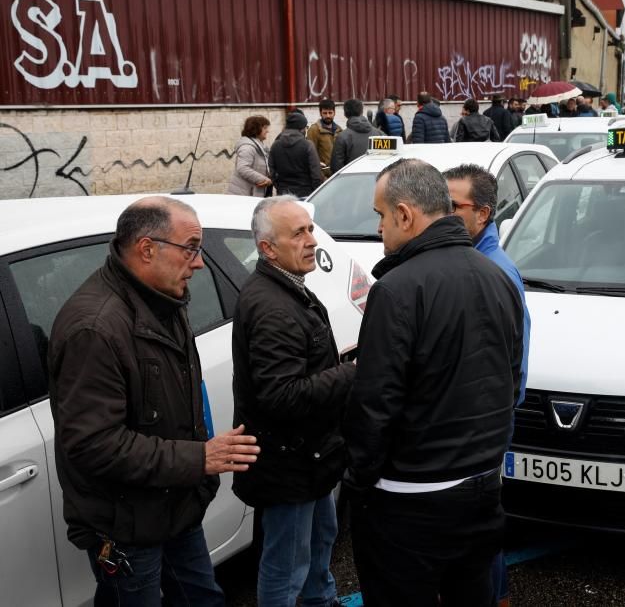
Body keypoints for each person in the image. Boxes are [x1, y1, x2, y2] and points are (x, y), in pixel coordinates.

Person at [48, 197, 261, 607]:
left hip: (174, 506)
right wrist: (200, 458)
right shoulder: (94, 329)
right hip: (127, 526)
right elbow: (94, 444)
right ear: (147, 249)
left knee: (202, 598)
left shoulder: (163, 298)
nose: (199, 263)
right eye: (192, 247)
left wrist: (198, 473)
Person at [344, 159, 524, 607]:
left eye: (381, 215)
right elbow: (510, 374)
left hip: (410, 501)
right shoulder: (498, 277)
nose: (380, 228)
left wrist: (358, 481)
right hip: (481, 486)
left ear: (405, 215)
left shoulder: (397, 290)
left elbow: (375, 404)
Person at [231, 196, 356, 607]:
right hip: (290, 465)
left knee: (320, 542)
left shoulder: (289, 288)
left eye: (310, 229)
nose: (312, 240)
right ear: (268, 248)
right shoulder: (272, 307)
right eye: (298, 233)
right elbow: (281, 397)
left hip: (311, 458)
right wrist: (354, 372)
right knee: (286, 567)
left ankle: (322, 599)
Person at [443, 164, 531, 607]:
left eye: (452, 206)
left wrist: (495, 416)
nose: (442, 213)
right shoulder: (475, 260)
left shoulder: (494, 270)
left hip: (483, 427)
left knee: (478, 524)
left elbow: (511, 362)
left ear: (483, 213)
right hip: (483, 424)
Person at [269, 111, 324, 197]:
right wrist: (315, 193)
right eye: (306, 127)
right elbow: (316, 175)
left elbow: (272, 172)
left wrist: (280, 188)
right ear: (302, 128)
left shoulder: (275, 145)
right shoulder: (308, 145)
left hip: (283, 194)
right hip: (306, 194)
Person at [332, 98, 384, 174]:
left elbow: (336, 169)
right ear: (362, 112)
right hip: (376, 181)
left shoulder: (342, 137)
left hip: (352, 182)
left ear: (345, 114)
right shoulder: (380, 134)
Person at [227, 115, 273, 196]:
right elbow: (243, 168)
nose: (267, 131)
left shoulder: (260, 145)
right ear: (256, 129)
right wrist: (264, 180)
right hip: (244, 195)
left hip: (252, 192)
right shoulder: (248, 147)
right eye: (265, 128)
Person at [306, 98, 342, 177]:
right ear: (320, 113)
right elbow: (310, 154)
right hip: (322, 177)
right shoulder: (314, 130)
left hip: (338, 175)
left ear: (334, 113)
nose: (328, 115)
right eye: (325, 113)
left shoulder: (339, 130)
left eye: (330, 113)